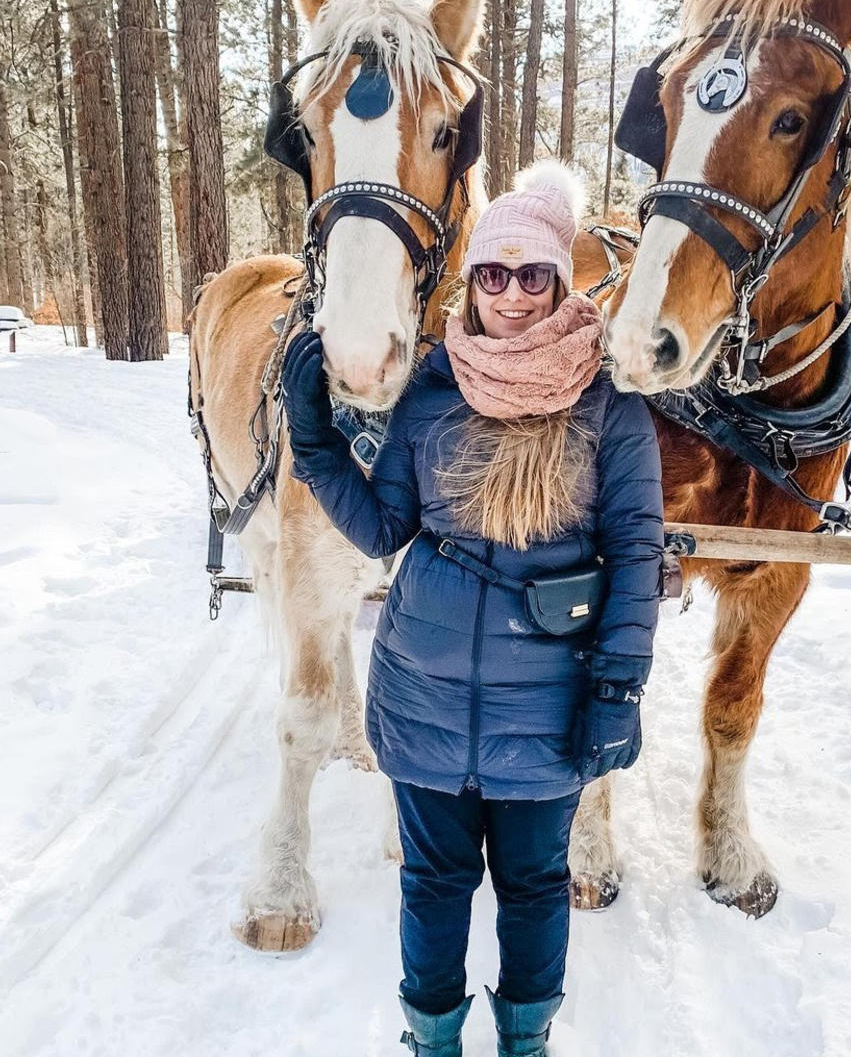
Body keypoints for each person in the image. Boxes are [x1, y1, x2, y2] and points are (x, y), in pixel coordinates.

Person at [281, 162, 664, 1057]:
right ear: (473, 285)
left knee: (533, 887)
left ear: (562, 282)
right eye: (494, 275)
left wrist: (618, 689)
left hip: (549, 710)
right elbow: (383, 527)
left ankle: (525, 1042)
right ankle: (433, 1040)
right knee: (433, 885)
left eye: (536, 276)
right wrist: (315, 439)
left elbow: (637, 556)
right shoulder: (433, 389)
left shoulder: (608, 410)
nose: (515, 296)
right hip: (422, 699)